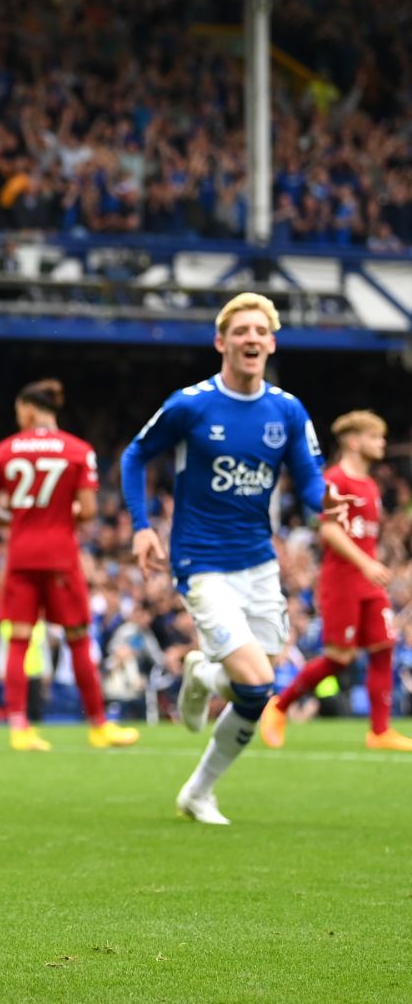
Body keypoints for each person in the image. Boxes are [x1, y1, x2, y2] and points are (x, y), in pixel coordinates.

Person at [120, 293, 350, 825]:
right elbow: (135, 455)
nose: (251, 339)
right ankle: (200, 789)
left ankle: (199, 753)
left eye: (260, 331)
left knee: (255, 689)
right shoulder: (191, 404)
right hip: (201, 562)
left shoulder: (287, 410)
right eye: (241, 331)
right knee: (255, 682)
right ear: (221, 342)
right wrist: (139, 527)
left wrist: (324, 499)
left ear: (271, 343)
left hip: (259, 563)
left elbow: (309, 476)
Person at [0, 379, 139, 751]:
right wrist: (60, 516)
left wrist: (17, 519)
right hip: (61, 555)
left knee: (18, 639)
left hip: (21, 555)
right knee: (78, 637)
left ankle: (19, 727)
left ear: (29, 409)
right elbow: (91, 510)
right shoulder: (77, 450)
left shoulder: (5, 450)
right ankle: (98, 725)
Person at [262, 410, 412, 750]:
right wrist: (366, 563)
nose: (382, 443)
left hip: (368, 582)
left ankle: (380, 732)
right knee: (339, 658)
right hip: (342, 580)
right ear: (355, 441)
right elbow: (328, 529)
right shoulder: (335, 480)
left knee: (384, 646)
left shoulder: (371, 486)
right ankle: (280, 706)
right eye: (376, 437)